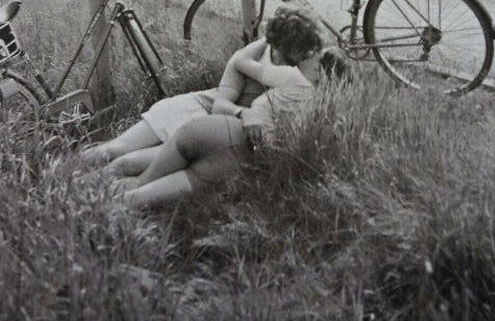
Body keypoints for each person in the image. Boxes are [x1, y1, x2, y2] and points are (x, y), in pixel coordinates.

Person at [83, 5, 325, 179]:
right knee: (114, 150)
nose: (292, 63)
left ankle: (80, 192)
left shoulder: (306, 65)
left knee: (128, 164)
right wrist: (247, 114)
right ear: (276, 44)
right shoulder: (247, 58)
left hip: (211, 133)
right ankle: (59, 177)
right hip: (198, 109)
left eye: (302, 54)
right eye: (288, 53)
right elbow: (220, 105)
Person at [117, 42, 343, 208]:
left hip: (209, 127)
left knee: (130, 170)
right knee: (136, 198)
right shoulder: (319, 111)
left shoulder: (290, 78)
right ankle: (90, 205)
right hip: (232, 154)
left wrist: (270, 37)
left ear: (318, 70)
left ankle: (83, 184)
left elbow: (243, 65)